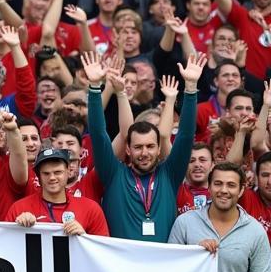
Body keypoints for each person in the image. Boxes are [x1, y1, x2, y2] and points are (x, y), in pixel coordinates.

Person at [83, 51, 203, 242]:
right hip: (120, 265)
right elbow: (98, 134)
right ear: (128, 149)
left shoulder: (170, 174)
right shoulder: (112, 173)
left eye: (150, 146)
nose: (144, 153)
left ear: (158, 149)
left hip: (162, 266)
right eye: (138, 147)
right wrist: (96, 87)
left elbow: (186, 136)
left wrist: (190, 88)